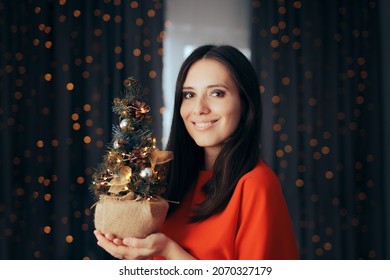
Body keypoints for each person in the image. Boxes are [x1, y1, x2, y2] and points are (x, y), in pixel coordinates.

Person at [94, 44, 299, 260]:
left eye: (216, 93)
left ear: (245, 104)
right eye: (189, 95)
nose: (199, 108)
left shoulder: (257, 184)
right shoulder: (167, 178)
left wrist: (168, 251)